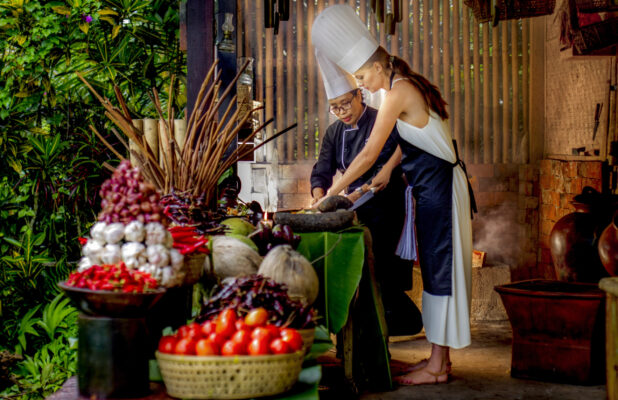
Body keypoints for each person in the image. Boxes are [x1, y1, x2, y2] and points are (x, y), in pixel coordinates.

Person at [311, 4, 474, 385]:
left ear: (380, 67)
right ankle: (438, 361)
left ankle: (437, 367)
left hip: (442, 191)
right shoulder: (399, 89)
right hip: (433, 191)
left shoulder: (398, 91)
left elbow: (369, 150)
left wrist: (330, 193)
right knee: (435, 273)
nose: (363, 83)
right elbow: (407, 139)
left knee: (442, 272)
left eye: (364, 75)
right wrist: (386, 172)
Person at [311, 50, 422, 336]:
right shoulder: (335, 132)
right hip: (355, 205)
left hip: (386, 203)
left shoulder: (380, 117)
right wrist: (318, 191)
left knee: (383, 269)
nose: (342, 112)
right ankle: (374, 322)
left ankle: (396, 322)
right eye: (335, 108)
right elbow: (322, 167)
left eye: (346, 103)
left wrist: (342, 196)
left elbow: (377, 166)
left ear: (359, 95)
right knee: (362, 269)